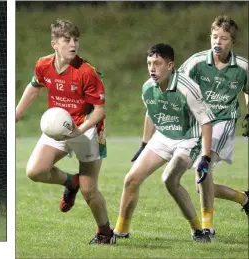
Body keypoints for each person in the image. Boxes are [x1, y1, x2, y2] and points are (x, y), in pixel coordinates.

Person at [14, 19, 113, 245]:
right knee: (35, 171)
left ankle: (105, 233)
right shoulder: (43, 65)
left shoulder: (87, 72)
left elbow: (99, 111)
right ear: (54, 44)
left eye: (76, 40)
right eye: (67, 40)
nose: (73, 45)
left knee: (90, 191)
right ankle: (70, 182)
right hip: (57, 126)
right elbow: (34, 86)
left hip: (87, 130)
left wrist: (79, 130)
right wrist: (16, 113)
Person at [115, 43, 215, 242]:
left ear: (170, 66)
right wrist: (144, 143)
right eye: (149, 63)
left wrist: (205, 157)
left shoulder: (187, 88)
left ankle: (198, 230)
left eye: (157, 63)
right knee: (131, 179)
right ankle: (120, 231)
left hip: (189, 139)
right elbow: (150, 112)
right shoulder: (147, 87)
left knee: (169, 179)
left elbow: (206, 122)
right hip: (163, 136)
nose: (152, 68)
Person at [175, 15, 249, 234]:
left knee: (202, 167)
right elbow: (177, 83)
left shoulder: (243, 66)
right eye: (215, 37)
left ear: (232, 42)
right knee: (202, 184)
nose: (218, 42)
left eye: (224, 38)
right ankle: (244, 198)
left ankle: (207, 226)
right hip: (200, 124)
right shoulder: (197, 62)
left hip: (224, 122)